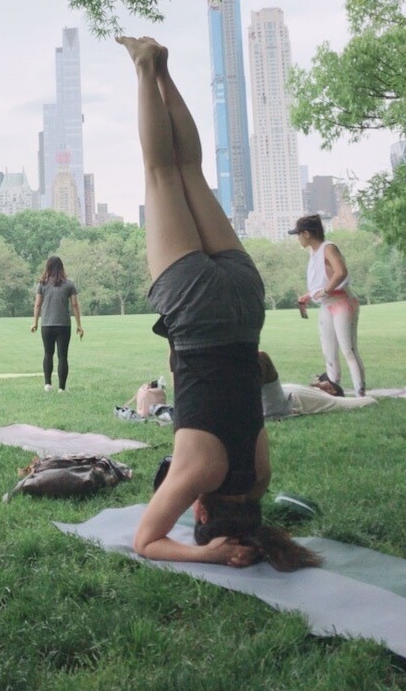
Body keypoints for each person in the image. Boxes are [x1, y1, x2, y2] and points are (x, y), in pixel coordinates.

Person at [119, 35, 320, 571]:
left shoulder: (259, 476)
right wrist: (204, 553)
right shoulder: (199, 474)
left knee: (191, 174)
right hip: (197, 312)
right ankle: (144, 67)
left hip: (243, 306)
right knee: (163, 174)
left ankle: (163, 68)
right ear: (202, 511)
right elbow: (146, 541)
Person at [290, 214, 366, 396]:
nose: (298, 238)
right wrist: (309, 295)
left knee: (349, 349)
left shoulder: (328, 248)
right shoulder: (314, 252)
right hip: (327, 304)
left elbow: (341, 272)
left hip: (342, 302)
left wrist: (325, 291)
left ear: (306, 234)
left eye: (298, 234)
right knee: (329, 351)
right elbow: (322, 280)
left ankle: (360, 392)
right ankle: (333, 390)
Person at [259, 350, 377, 419]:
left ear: (332, 390)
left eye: (321, 381)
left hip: (280, 406)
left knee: (261, 357)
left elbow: (370, 400)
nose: (316, 382)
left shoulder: (332, 400)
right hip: (265, 400)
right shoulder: (313, 392)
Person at [31, 256, 84, 393]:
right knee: (63, 356)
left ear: (48, 267)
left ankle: (47, 385)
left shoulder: (42, 284)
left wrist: (35, 322)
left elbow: (37, 304)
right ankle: (61, 388)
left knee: (48, 354)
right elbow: (75, 305)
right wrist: (79, 325)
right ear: (61, 267)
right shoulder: (69, 284)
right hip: (64, 325)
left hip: (46, 325)